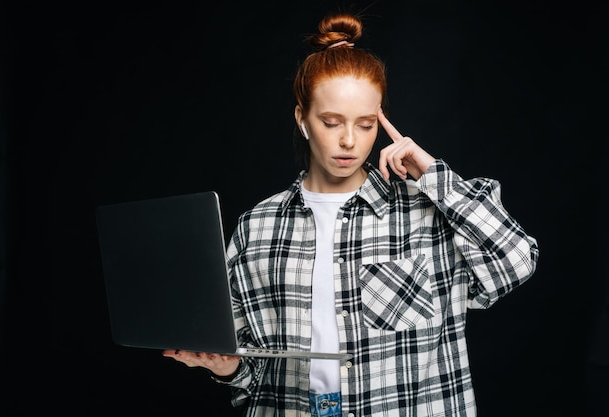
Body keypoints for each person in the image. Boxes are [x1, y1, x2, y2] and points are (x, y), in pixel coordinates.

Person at [163, 11, 539, 417]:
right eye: (331, 121)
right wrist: (229, 367)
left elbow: (515, 261)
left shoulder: (425, 212)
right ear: (302, 120)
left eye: (364, 125)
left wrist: (432, 173)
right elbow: (254, 372)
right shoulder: (258, 228)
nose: (348, 141)